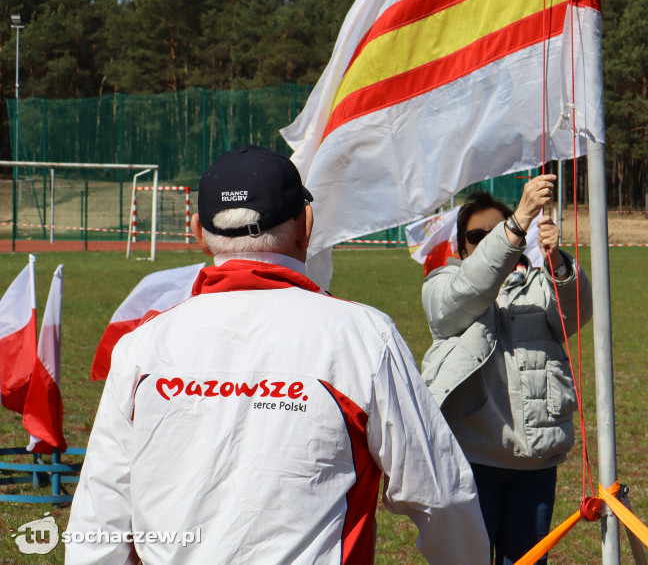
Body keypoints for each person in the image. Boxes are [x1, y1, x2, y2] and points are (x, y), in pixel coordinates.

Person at [65, 145, 488, 564]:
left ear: (196, 232)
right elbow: (440, 495)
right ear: (306, 224)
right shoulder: (364, 335)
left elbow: (99, 519)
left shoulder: (142, 345)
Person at [420, 173, 592, 565]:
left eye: (496, 230)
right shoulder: (441, 284)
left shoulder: (539, 281)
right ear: (461, 247)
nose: (488, 240)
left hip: (533, 462)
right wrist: (515, 223)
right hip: (469, 460)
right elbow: (465, 295)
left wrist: (559, 264)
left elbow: (576, 312)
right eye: (476, 237)